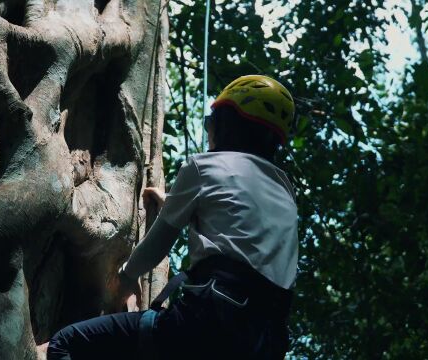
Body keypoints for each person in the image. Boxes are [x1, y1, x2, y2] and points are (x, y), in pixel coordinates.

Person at [47, 75, 299, 360]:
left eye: (209, 123)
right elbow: (241, 227)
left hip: (206, 325)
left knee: (67, 343)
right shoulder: (284, 189)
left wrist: (126, 278)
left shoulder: (205, 166)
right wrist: (173, 203)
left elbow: (158, 244)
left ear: (225, 124)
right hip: (265, 344)